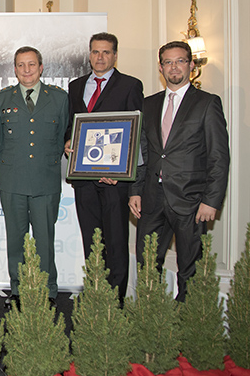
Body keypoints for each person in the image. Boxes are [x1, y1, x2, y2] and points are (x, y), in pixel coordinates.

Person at [129, 41, 229, 302]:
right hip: (151, 199)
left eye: (180, 61)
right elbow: (144, 153)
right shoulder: (148, 104)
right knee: (147, 264)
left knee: (189, 268)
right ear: (160, 67)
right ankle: (150, 318)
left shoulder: (207, 103)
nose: (174, 67)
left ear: (191, 65)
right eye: (168, 62)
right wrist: (135, 191)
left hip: (191, 201)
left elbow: (219, 157)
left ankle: (186, 323)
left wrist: (211, 200)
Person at [64, 32, 143, 306]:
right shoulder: (75, 87)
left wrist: (122, 171)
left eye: (106, 52)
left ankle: (116, 302)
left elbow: (136, 133)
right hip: (84, 179)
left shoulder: (130, 85)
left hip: (114, 181)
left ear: (115, 56)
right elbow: (71, 125)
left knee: (116, 240)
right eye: (96, 52)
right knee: (92, 239)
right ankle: (96, 293)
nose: (100, 57)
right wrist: (68, 143)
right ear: (89, 55)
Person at [0, 46, 68, 310]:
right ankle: (17, 289)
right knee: (15, 238)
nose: (26, 70)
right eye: (21, 65)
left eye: (31, 65)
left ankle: (48, 290)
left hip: (45, 180)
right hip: (12, 180)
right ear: (15, 69)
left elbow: (61, 138)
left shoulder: (59, 99)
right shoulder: (2, 99)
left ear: (41, 67)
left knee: (44, 239)